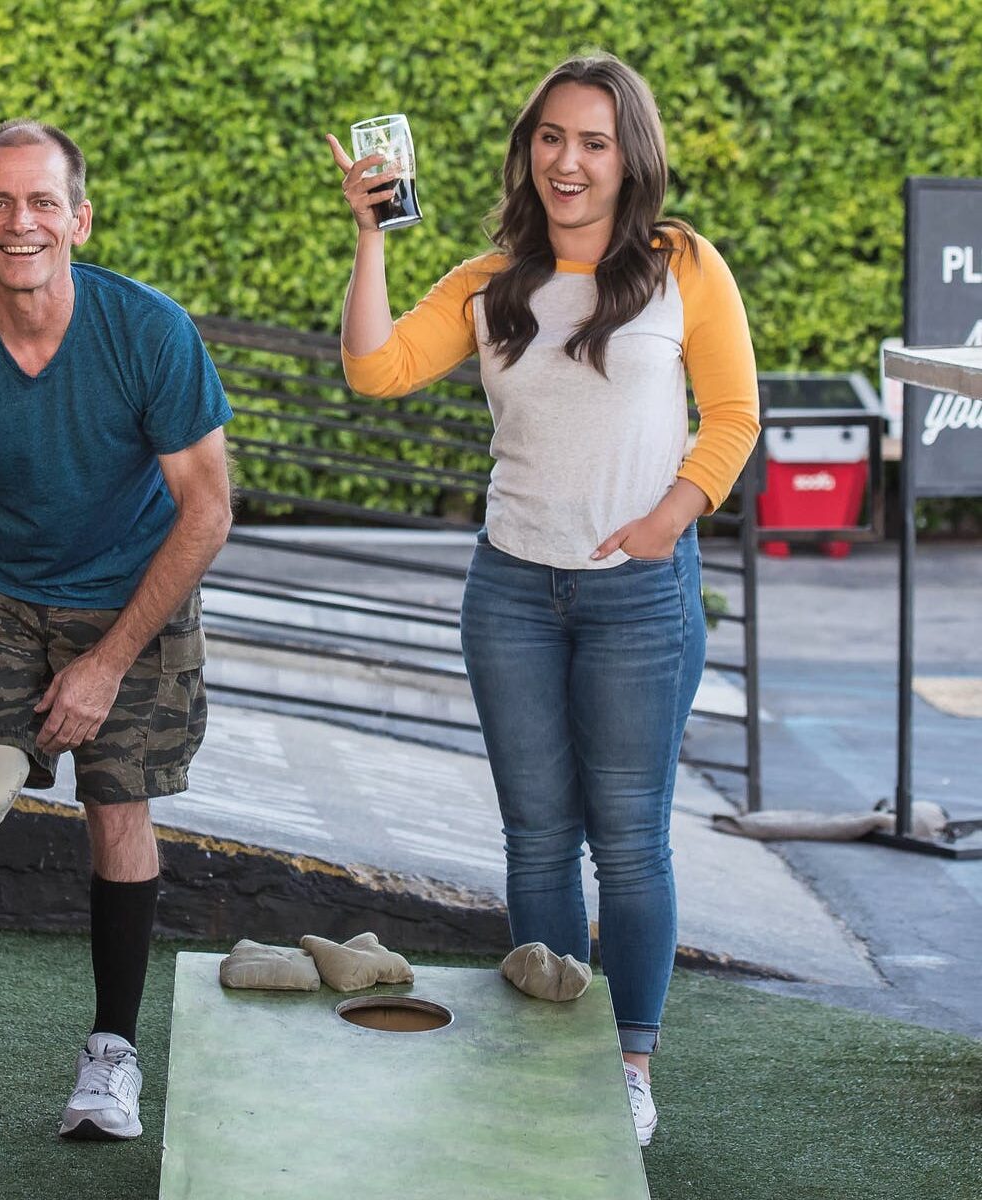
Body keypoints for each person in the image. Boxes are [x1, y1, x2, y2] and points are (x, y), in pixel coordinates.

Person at [330, 53, 759, 1147]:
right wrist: (369, 235)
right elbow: (373, 370)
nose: (568, 160)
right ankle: (545, 1049)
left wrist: (670, 515)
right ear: (528, 150)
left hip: (638, 597)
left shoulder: (682, 265)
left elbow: (732, 417)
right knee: (533, 840)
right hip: (510, 593)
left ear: (629, 159)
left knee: (628, 843)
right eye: (550, 138)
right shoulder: (484, 281)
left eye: (594, 141)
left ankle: (624, 1064)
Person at [0, 118, 234, 1140]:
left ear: (77, 217)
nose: (18, 222)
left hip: (134, 589)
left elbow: (207, 510)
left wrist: (108, 664)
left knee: (118, 803)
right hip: (8, 591)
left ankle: (110, 1054)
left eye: (40, 202)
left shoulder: (146, 330)